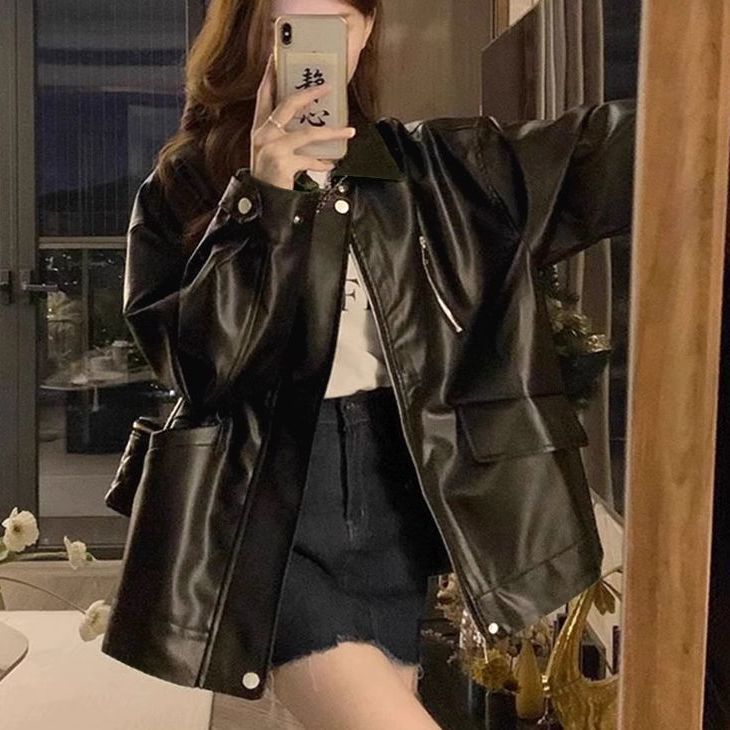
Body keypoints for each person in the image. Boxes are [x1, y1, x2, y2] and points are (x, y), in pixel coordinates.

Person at [102, 0, 635, 726]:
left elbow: (625, 151)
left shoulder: (446, 173)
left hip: (395, 509)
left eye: (335, 25)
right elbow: (199, 370)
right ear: (250, 35)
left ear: (366, 34)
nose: (311, 51)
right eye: (286, 27)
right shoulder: (185, 189)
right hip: (267, 510)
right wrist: (264, 202)